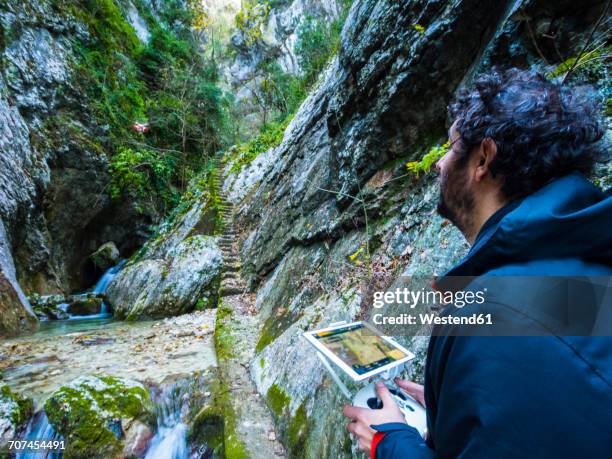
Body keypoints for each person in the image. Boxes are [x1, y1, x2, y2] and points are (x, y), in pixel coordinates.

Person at [343, 68, 612, 458]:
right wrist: (449, 404)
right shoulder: (585, 268)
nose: (439, 165)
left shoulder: (489, 313)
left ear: (483, 158)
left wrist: (389, 443)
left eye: (450, 148)